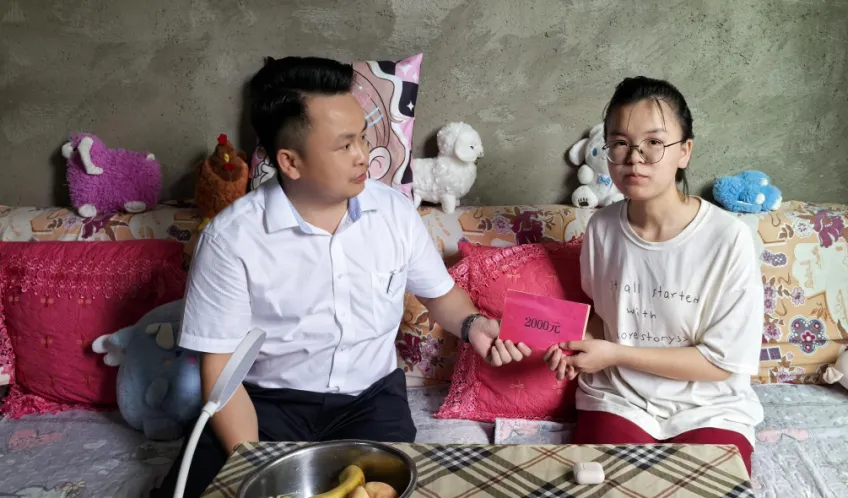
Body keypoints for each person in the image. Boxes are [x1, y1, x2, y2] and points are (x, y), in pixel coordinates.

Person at [152, 56, 531, 498]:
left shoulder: (394, 212)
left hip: (371, 403)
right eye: (344, 145)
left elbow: (441, 295)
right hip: (263, 402)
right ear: (290, 162)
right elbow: (220, 371)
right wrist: (260, 467)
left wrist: (473, 325)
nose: (363, 156)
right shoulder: (230, 239)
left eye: (363, 137)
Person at [544, 76, 764, 476]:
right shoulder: (601, 228)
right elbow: (608, 319)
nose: (635, 157)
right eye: (620, 142)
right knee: (600, 484)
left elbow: (721, 363)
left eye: (654, 142)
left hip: (710, 406)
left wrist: (616, 354)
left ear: (684, 151)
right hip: (619, 399)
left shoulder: (728, 238)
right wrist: (579, 346)